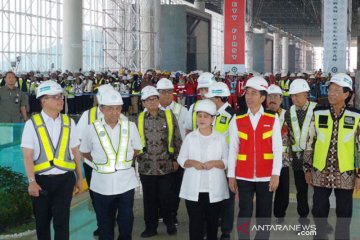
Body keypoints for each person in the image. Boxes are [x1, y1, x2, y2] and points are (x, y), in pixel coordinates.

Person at [21, 80, 83, 240]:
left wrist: (80, 177)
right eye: (55, 97)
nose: (60, 100)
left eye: (61, 96)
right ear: (43, 100)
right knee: (42, 224)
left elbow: (75, 152)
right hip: (41, 182)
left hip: (65, 180)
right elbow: (27, 155)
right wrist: (31, 182)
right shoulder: (31, 124)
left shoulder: (69, 122)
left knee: (62, 223)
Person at [80, 89, 142, 240]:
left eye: (117, 108)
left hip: (125, 183)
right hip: (101, 184)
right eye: (109, 108)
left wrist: (121, 162)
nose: (114, 112)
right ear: (101, 109)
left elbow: (137, 149)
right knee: (105, 223)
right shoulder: (91, 129)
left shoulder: (130, 127)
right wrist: (103, 164)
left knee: (126, 220)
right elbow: (85, 152)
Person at [304, 73, 360, 240]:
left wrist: (359, 175)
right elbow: (310, 142)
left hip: (346, 172)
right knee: (319, 209)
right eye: (330, 89)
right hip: (320, 170)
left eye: (336, 90)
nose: (331, 93)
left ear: (346, 94)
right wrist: (307, 168)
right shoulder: (318, 112)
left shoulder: (356, 116)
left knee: (344, 213)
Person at [227, 76, 282, 240]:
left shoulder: (272, 118)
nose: (249, 97)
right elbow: (233, 149)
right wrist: (231, 175)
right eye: (247, 93)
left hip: (266, 175)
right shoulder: (237, 119)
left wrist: (276, 174)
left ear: (263, 97)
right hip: (243, 174)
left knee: (264, 213)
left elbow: (277, 148)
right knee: (244, 211)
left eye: (254, 93)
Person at [177, 99, 229, 240]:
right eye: (199, 115)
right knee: (195, 224)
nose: (202, 119)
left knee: (212, 224)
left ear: (213, 119)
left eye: (206, 116)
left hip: (215, 189)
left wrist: (215, 163)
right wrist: (191, 162)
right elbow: (181, 159)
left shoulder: (220, 138)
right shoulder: (190, 138)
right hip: (194, 189)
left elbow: (227, 161)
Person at [137, 86, 182, 238]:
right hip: (146, 167)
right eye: (148, 100)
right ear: (143, 103)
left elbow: (177, 139)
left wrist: (176, 159)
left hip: (166, 166)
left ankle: (170, 223)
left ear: (158, 100)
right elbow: (134, 142)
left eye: (154, 99)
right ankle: (150, 227)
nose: (152, 102)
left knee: (166, 197)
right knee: (149, 200)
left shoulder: (169, 116)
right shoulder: (139, 118)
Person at [75, 84, 115, 236]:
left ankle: (111, 219)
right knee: (96, 196)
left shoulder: (119, 115)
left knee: (112, 195)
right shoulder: (88, 115)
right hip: (92, 164)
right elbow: (79, 139)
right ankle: (102, 223)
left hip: (112, 165)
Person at [205, 82, 235, 240]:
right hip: (210, 165)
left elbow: (234, 143)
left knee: (227, 200)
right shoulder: (211, 114)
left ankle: (226, 231)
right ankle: (210, 227)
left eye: (211, 98)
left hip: (225, 166)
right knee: (210, 198)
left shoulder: (231, 115)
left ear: (217, 98)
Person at [156, 78, 188, 225]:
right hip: (157, 158)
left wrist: (179, 157)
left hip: (176, 156)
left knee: (174, 188)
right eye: (163, 92)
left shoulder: (182, 110)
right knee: (159, 189)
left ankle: (172, 214)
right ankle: (161, 212)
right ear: (158, 93)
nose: (167, 95)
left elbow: (186, 135)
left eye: (169, 92)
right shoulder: (150, 110)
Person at [285, 78, 317, 227]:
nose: (293, 98)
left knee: (319, 195)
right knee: (301, 193)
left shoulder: (318, 110)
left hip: (317, 161)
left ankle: (321, 223)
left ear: (305, 94)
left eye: (296, 95)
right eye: (292, 96)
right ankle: (303, 222)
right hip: (298, 161)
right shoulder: (288, 113)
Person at [266, 84, 291, 224]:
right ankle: (265, 214)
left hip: (283, 159)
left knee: (282, 190)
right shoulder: (262, 114)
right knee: (266, 190)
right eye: (270, 96)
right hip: (265, 159)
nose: (272, 99)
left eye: (276, 96)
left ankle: (280, 214)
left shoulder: (288, 115)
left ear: (281, 99)